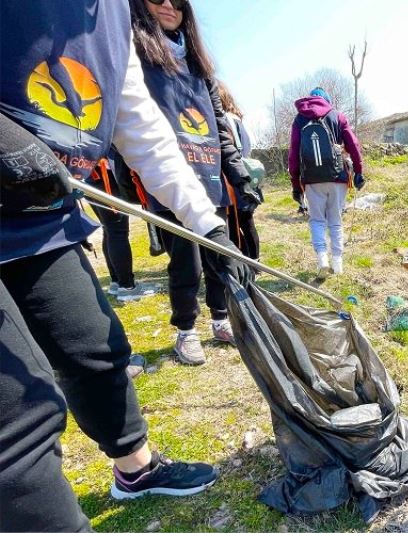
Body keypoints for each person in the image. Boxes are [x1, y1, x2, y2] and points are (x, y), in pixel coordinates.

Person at [0, 1, 250, 530]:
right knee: (21, 412)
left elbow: (142, 129)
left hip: (38, 213)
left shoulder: (115, 15)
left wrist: (208, 226)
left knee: (95, 345)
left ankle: (134, 470)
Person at [130, 0, 261, 365]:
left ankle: (220, 319)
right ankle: (185, 330)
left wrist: (237, 172)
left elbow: (220, 128)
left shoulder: (200, 67)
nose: (169, 5)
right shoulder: (137, 59)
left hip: (209, 178)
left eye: (178, 0)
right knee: (186, 264)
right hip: (170, 181)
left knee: (219, 256)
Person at [288, 87, 365, 276]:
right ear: (327, 101)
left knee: (317, 220)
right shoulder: (337, 116)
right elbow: (353, 145)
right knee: (335, 221)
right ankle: (337, 264)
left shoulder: (299, 120)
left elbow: (293, 155)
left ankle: (322, 259)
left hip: (312, 180)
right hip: (337, 176)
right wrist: (359, 171)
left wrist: (296, 184)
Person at [87, 150, 160, 302]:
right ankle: (127, 287)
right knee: (117, 230)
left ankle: (117, 282)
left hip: (90, 174)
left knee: (109, 229)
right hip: (103, 174)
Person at [218, 80, 262, 260]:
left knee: (239, 223)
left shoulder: (225, 119)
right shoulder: (238, 120)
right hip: (245, 176)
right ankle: (254, 261)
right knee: (247, 223)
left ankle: (248, 263)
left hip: (235, 180)